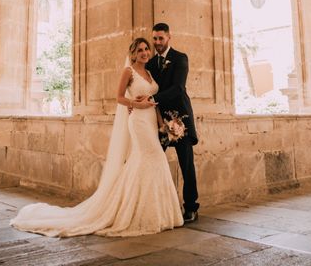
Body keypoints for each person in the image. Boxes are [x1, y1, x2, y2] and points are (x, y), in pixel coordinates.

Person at [10, 38, 183, 237]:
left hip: (151, 121)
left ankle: (159, 212)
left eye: (146, 49)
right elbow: (119, 97)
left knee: (151, 160)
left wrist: (162, 124)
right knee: (149, 158)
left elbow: (154, 103)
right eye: (140, 50)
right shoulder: (129, 72)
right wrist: (136, 105)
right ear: (133, 54)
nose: (144, 52)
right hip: (138, 122)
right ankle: (136, 212)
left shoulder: (150, 73)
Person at [145, 23, 199, 223]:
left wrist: (152, 100)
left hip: (180, 118)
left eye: (161, 38)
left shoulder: (180, 58)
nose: (157, 42)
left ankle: (191, 207)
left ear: (169, 37)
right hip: (158, 120)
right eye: (155, 39)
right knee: (152, 161)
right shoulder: (150, 64)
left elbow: (178, 87)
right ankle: (155, 205)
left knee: (186, 165)